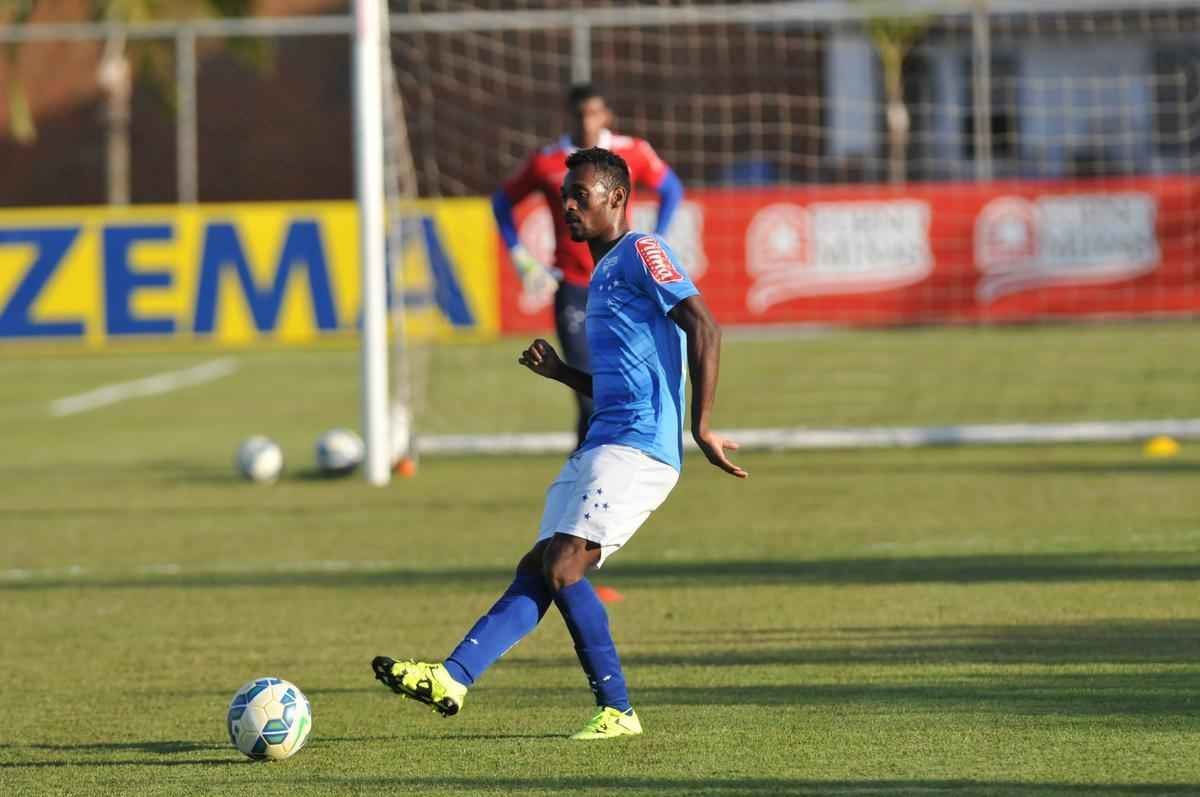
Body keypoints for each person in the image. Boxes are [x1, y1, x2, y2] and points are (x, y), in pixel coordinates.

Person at [373, 147, 744, 740]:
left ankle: (617, 710)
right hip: (605, 440)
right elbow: (621, 381)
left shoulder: (642, 251)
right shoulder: (602, 274)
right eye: (564, 195)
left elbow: (704, 325)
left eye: (580, 195)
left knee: (565, 565)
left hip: (639, 446)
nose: (567, 205)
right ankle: (452, 677)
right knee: (541, 566)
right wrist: (562, 374)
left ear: (616, 198)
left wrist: (701, 425)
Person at [492, 83, 685, 447]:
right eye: (580, 114)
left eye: (594, 113)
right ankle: (589, 462)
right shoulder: (547, 161)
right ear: (569, 116)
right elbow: (502, 202)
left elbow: (671, 189)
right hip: (574, 288)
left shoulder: (632, 152)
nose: (586, 122)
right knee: (586, 389)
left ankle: (611, 458)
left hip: (623, 286)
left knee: (626, 384)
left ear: (606, 115)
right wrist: (522, 259)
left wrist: (657, 238)